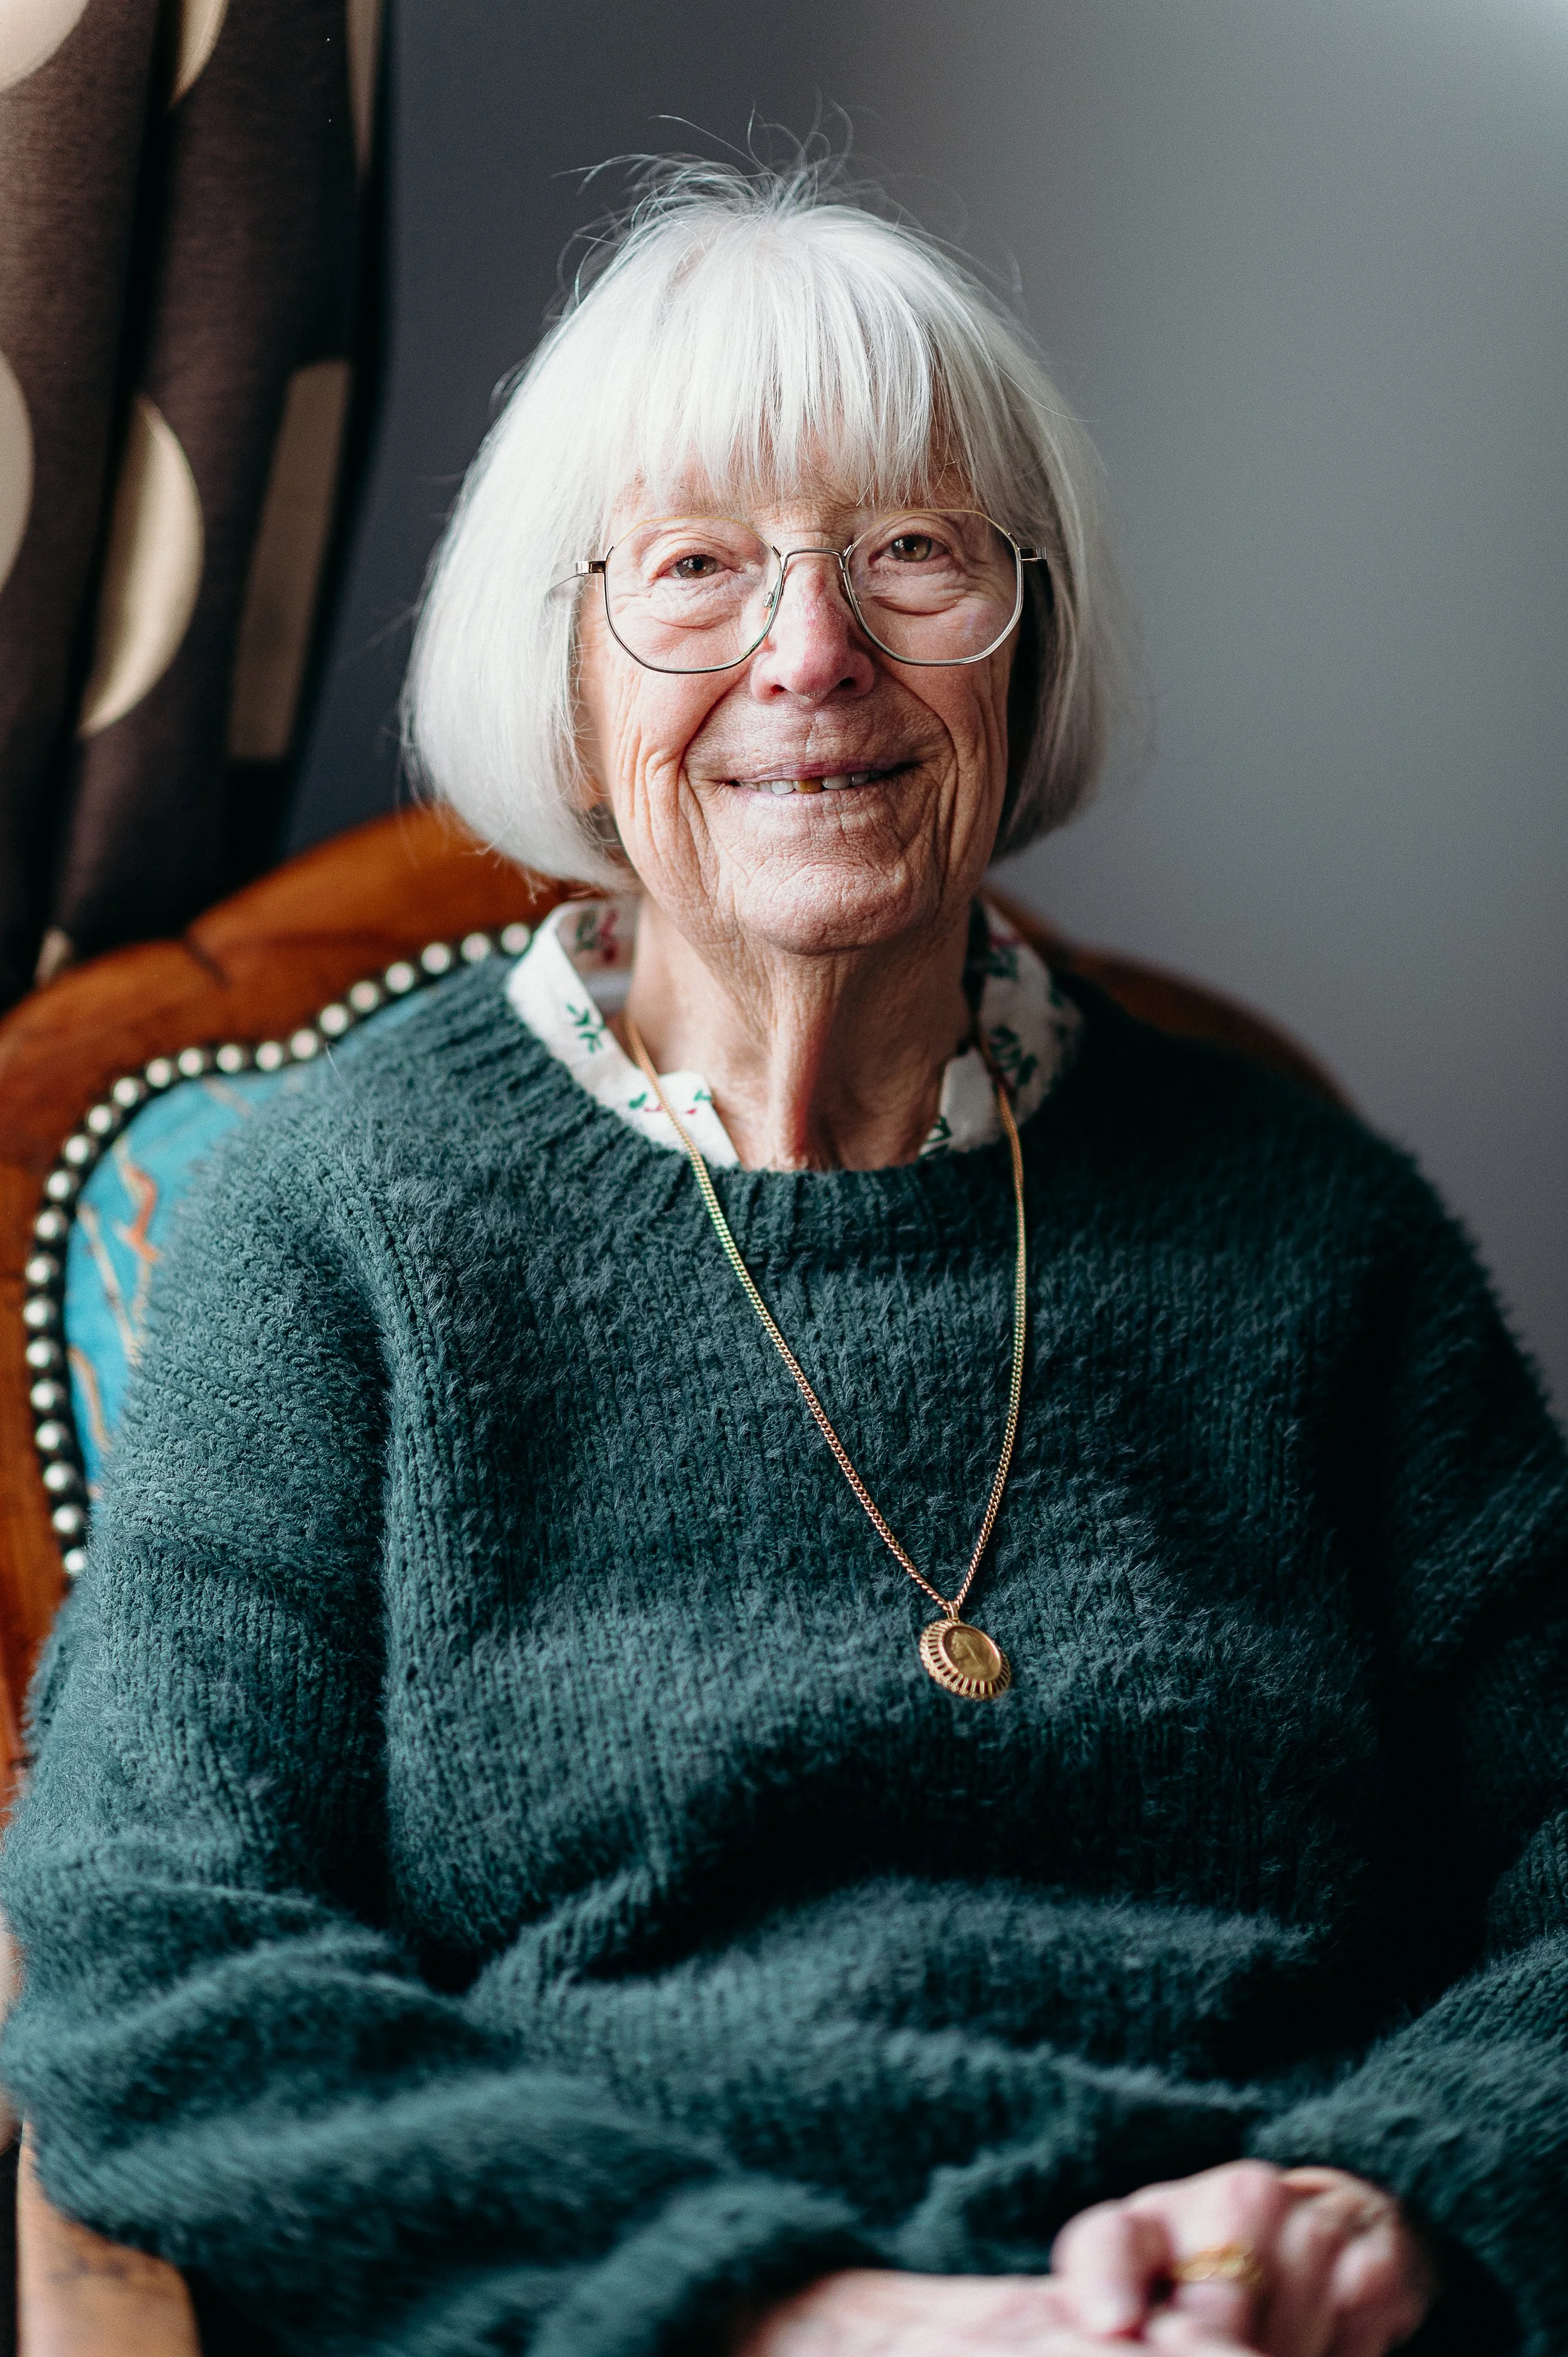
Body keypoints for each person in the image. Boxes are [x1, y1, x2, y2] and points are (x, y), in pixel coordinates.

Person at [3, 161, 1564, 2357]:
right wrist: (807, 2319)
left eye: (908, 552)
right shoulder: (341, 1214)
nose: (809, 655)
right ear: (564, 660)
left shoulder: (1306, 1230)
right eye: (698, 569)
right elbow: (154, 1950)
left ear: (1027, 630)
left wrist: (1384, 2203)